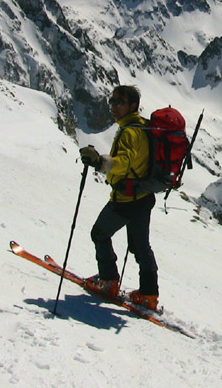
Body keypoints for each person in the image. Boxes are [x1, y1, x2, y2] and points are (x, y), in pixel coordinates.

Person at [79, 85, 159, 311]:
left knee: (100, 234)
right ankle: (148, 295)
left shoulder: (129, 133)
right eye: (112, 101)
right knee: (141, 247)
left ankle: (108, 281)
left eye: (119, 102)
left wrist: (99, 162)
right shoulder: (144, 126)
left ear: (132, 105)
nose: (113, 107)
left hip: (126, 199)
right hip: (144, 196)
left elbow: (123, 161)